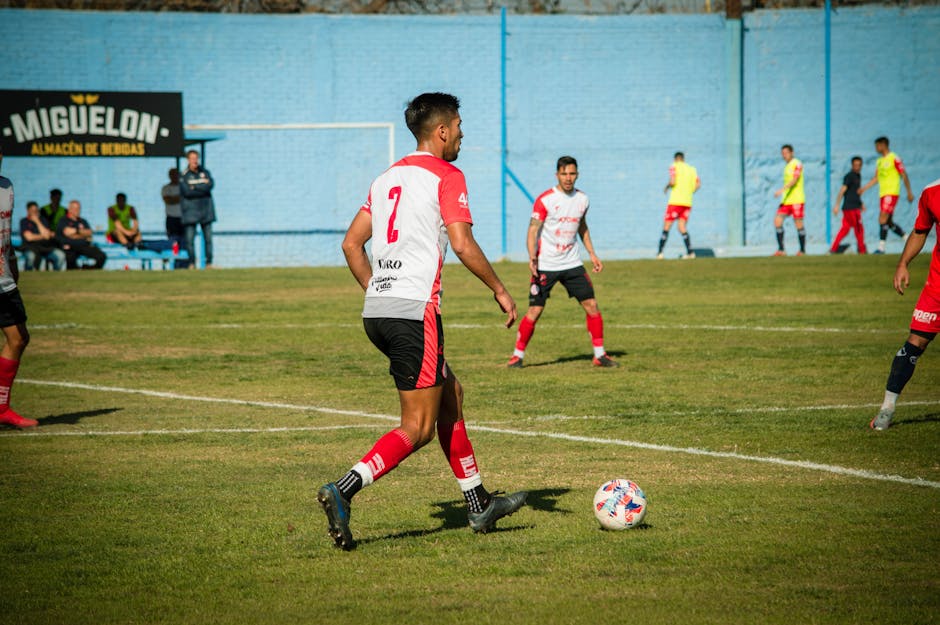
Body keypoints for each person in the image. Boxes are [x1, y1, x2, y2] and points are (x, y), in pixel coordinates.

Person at [318, 92, 527, 551]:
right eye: (459, 126)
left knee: (451, 393)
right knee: (418, 427)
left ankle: (478, 502)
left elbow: (351, 244)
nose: (462, 134)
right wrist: (499, 288)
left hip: (379, 310)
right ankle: (343, 489)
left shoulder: (385, 178)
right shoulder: (447, 175)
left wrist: (379, 289)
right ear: (442, 130)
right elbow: (463, 243)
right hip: (415, 312)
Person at [507, 155, 618, 368]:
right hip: (546, 264)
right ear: (557, 175)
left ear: (577, 175)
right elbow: (532, 230)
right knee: (535, 311)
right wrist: (532, 257)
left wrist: (592, 253)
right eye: (564, 173)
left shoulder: (582, 199)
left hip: (572, 263)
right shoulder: (546, 200)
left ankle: (599, 355)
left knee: (591, 305)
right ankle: (517, 356)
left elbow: (582, 226)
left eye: (572, 173)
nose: (568, 178)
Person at [871, 177, 940, 430]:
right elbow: (921, 230)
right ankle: (886, 409)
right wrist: (903, 264)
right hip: (937, 285)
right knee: (914, 343)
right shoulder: (932, 192)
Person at [0, 144, 37, 428]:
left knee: (18, 338)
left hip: (4, 279)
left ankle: (2, 409)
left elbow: (7, 233)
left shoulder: (7, 187)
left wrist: (12, 262)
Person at [858, 136, 914, 254]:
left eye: (877, 146)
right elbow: (876, 178)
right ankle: (908, 238)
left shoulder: (894, 158)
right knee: (888, 222)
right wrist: (864, 188)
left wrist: (909, 192)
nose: (876, 148)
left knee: (882, 218)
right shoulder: (879, 161)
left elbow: (903, 174)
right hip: (883, 194)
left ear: (883, 145)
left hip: (892, 192)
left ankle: (881, 248)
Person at [656, 152, 700, 259]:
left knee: (667, 226)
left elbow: (673, 181)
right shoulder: (692, 169)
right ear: (683, 159)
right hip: (687, 202)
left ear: (676, 159)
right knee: (682, 227)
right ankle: (690, 252)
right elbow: (698, 185)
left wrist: (667, 187)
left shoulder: (674, 166)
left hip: (675, 202)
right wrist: (689, 192)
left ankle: (660, 253)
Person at [179, 150, 216, 269]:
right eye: (192, 158)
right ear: (188, 160)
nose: (194, 161)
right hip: (190, 212)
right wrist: (202, 187)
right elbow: (186, 192)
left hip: (206, 211)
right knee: (190, 240)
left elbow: (210, 186)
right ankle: (192, 263)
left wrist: (194, 187)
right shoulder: (184, 175)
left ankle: (209, 263)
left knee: (208, 239)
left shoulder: (205, 172)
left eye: (196, 158)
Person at [772, 144, 806, 256]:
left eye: (786, 153)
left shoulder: (797, 163)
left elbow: (795, 180)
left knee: (798, 224)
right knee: (777, 221)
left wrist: (781, 190)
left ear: (792, 153)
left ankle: (802, 250)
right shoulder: (787, 166)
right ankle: (781, 250)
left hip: (797, 199)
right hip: (786, 200)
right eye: (783, 153)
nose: (784, 155)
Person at [829, 157, 867, 255]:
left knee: (845, 229)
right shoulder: (849, 176)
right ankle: (862, 250)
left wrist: (861, 203)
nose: (857, 167)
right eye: (855, 165)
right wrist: (837, 205)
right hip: (851, 208)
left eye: (859, 165)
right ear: (852, 165)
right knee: (859, 229)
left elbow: (855, 193)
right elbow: (842, 191)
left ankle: (833, 249)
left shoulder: (858, 176)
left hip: (852, 207)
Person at [55, 200, 106, 269]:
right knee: (70, 260)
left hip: (83, 245)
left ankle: (90, 269)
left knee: (101, 256)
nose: (77, 211)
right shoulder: (63, 220)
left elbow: (89, 234)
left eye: (79, 208)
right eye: (75, 209)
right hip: (70, 247)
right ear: (70, 209)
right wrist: (82, 234)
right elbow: (67, 232)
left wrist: (75, 232)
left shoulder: (83, 221)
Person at [19, 201, 66, 271]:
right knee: (31, 256)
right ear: (28, 211)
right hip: (30, 247)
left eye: (36, 210)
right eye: (32, 211)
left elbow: (47, 237)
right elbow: (29, 237)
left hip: (45, 248)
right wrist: (42, 235)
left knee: (60, 255)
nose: (35, 212)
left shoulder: (43, 220)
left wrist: (37, 222)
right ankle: (28, 273)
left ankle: (56, 275)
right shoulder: (24, 221)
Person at [162, 168, 184, 241]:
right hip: (171, 219)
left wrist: (174, 198)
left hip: (184, 218)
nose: (174, 176)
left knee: (185, 241)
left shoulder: (184, 187)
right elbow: (168, 201)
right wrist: (181, 197)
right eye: (172, 175)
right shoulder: (166, 188)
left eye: (176, 174)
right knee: (173, 241)